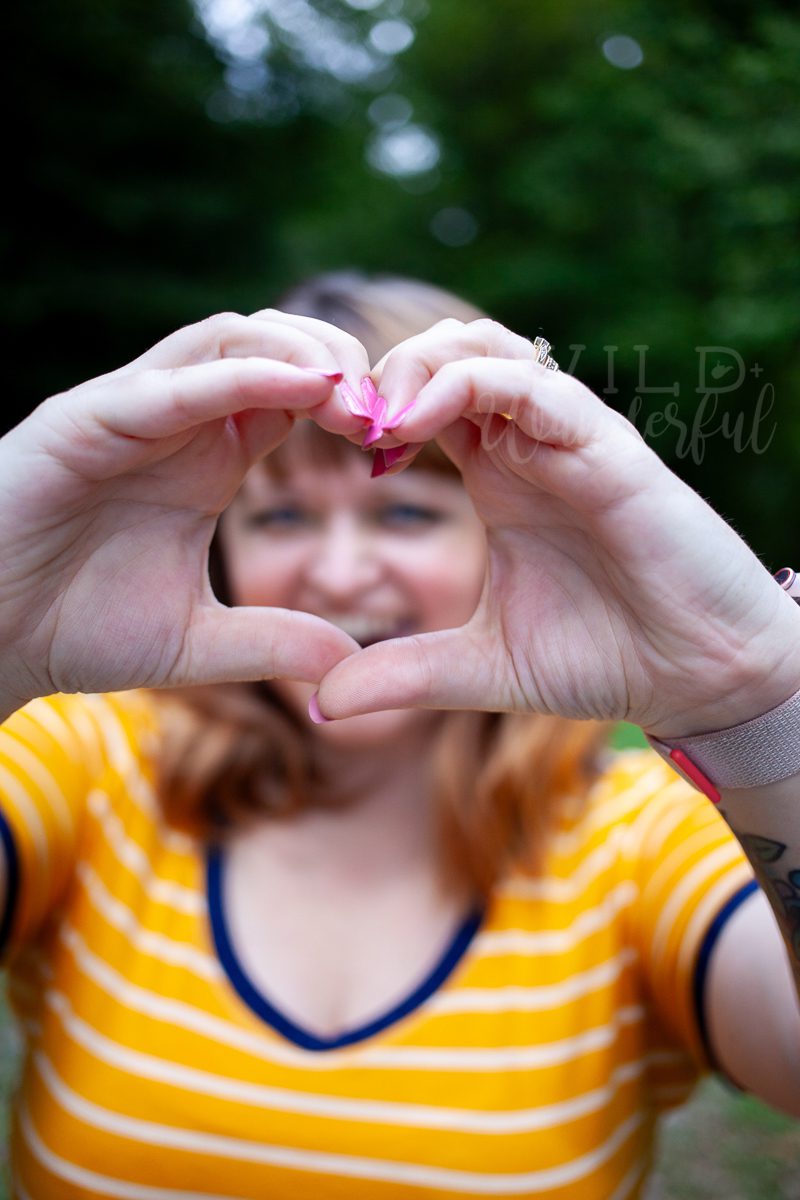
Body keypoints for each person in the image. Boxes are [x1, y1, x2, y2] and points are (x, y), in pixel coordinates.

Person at [1, 270, 799, 1200]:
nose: (340, 575)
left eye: (408, 509)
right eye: (283, 513)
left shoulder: (639, 840)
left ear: (508, 532)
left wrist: (758, 696)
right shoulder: (82, 758)